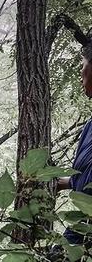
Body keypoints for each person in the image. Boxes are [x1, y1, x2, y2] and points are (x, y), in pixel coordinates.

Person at [56, 39, 92, 247]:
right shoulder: (89, 126)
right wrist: (67, 182)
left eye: (83, 67)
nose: (80, 76)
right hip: (83, 222)